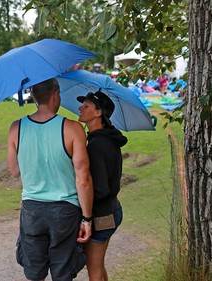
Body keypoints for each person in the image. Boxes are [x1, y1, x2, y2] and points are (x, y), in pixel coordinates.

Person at [7, 78, 94, 281]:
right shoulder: (73, 129)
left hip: (32, 210)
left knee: (34, 272)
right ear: (55, 95)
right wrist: (87, 219)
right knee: (63, 272)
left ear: (35, 97)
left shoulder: (16, 128)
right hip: (65, 211)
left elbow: (14, 171)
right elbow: (83, 180)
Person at [77, 90, 128, 281]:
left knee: (94, 268)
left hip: (102, 214)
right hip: (112, 208)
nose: (80, 108)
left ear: (99, 113)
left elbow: (99, 188)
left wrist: (84, 212)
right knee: (97, 265)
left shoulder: (97, 145)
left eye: (87, 106)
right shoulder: (107, 138)